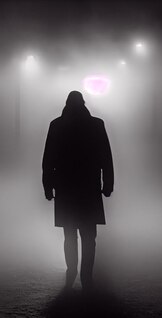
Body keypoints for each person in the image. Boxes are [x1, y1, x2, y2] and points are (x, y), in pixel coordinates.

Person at [42, 91, 114, 290]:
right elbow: (106, 157)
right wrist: (108, 184)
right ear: (84, 103)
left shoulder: (56, 125)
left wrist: (48, 186)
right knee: (89, 236)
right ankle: (86, 276)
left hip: (65, 188)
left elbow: (48, 159)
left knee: (69, 234)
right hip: (89, 187)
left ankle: (71, 270)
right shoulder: (96, 125)